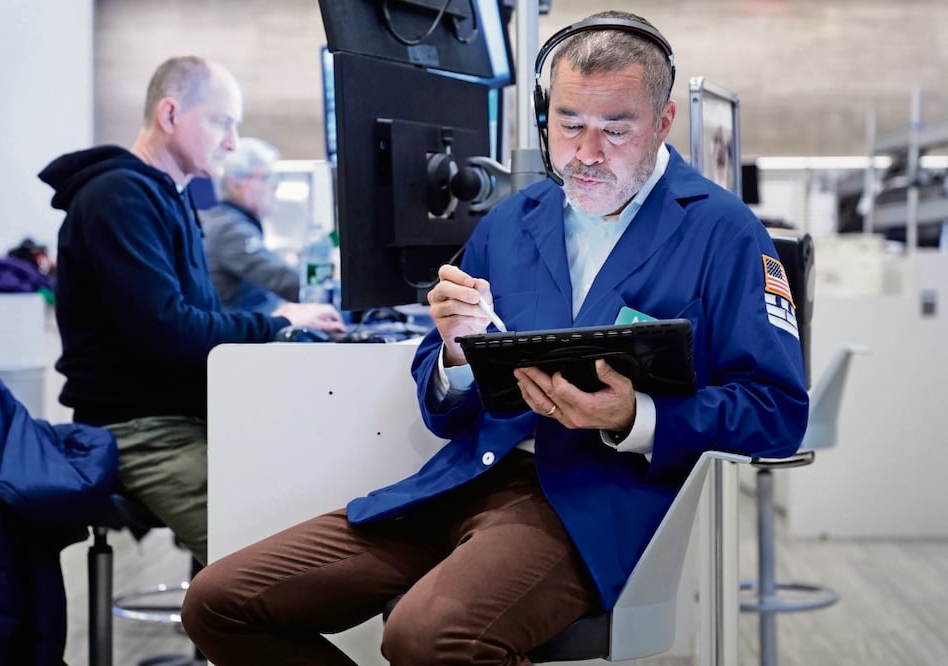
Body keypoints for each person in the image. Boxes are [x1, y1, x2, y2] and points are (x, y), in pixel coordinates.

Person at [180, 11, 809, 665]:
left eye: (614, 129)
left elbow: (777, 414)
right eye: (568, 125)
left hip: (595, 498)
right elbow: (440, 390)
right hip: (466, 478)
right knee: (219, 602)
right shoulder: (513, 222)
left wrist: (636, 416)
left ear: (661, 121)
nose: (586, 153)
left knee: (425, 638)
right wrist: (453, 352)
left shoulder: (722, 232)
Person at [38, 55, 345, 566]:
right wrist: (281, 323)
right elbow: (170, 330)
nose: (231, 140)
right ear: (170, 114)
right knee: (270, 561)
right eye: (222, 121)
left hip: (182, 416)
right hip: (143, 430)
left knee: (305, 500)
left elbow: (190, 319)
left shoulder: (168, 195)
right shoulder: (120, 196)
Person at [201, 136, 302, 314]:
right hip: (240, 334)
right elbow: (283, 279)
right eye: (267, 177)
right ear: (235, 183)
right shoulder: (229, 229)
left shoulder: (227, 221)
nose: (275, 185)